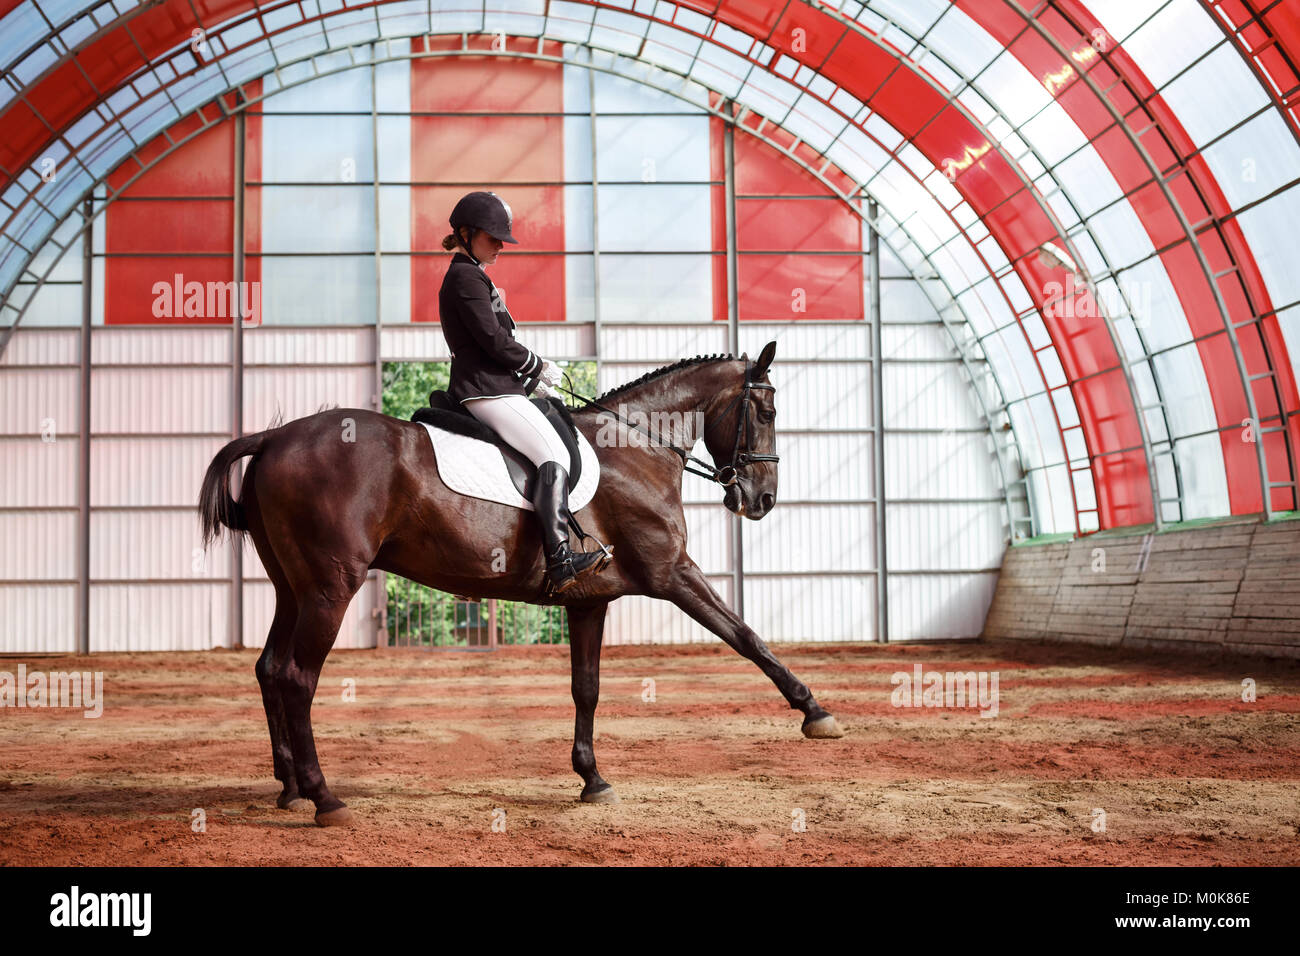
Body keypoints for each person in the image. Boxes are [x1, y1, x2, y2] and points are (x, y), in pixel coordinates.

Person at [437, 190, 608, 594]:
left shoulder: (475, 274)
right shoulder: (464, 277)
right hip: (486, 392)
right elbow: (493, 340)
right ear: (466, 233)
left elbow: (492, 344)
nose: (500, 245)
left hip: (498, 386)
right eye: (493, 237)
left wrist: (529, 380)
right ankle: (560, 559)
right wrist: (537, 364)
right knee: (553, 455)